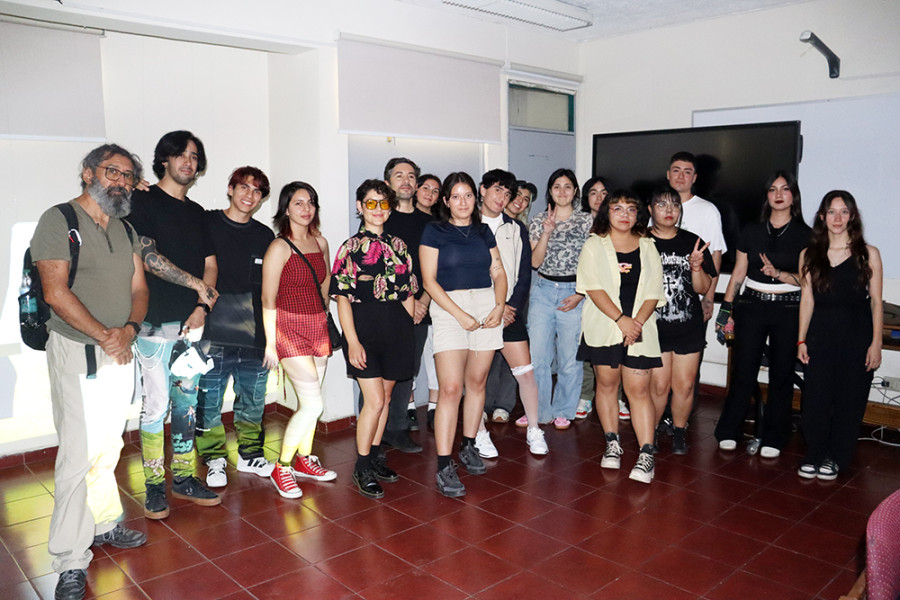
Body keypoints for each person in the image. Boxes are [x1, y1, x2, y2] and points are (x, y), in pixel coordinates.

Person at [32, 144, 149, 600]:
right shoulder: (58, 220)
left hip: (120, 348)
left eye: (126, 175)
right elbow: (55, 292)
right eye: (111, 171)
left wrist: (131, 329)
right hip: (79, 349)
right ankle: (69, 558)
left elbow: (139, 286)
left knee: (108, 444)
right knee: (76, 452)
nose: (119, 181)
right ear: (87, 173)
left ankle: (102, 522)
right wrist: (106, 334)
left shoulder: (125, 228)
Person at [129, 131, 221, 518]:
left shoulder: (198, 213)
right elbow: (147, 257)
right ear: (163, 159)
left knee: (186, 406)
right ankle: (153, 485)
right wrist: (195, 283)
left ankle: (183, 477)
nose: (189, 161)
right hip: (152, 322)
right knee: (156, 406)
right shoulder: (142, 200)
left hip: (193, 324)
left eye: (195, 156)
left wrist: (202, 302)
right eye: (181, 154)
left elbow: (211, 264)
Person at [420, 171, 507, 497]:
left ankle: (468, 445)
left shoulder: (484, 231)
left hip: (486, 304)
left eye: (468, 195)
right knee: (451, 388)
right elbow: (429, 281)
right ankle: (444, 463)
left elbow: (498, 271)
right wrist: (459, 314)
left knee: (478, 382)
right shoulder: (435, 231)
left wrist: (499, 305)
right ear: (446, 201)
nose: (462, 202)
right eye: (455, 196)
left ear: (476, 198)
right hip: (448, 308)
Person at [714, 172, 812, 456]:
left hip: (788, 309)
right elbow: (739, 273)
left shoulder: (806, 235)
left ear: (794, 195)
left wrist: (778, 274)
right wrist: (726, 310)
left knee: (782, 375)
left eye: (785, 189)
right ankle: (729, 430)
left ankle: (774, 437)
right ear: (767, 196)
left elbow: (807, 282)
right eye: (772, 189)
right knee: (743, 371)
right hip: (752, 306)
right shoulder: (751, 231)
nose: (778, 194)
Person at [331, 180, 418, 498]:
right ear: (359, 206)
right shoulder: (350, 248)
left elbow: (408, 291)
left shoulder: (399, 245)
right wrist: (352, 342)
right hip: (364, 331)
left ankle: (375, 455)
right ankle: (361, 466)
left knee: (385, 397)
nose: (378, 209)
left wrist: (408, 326)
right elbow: (341, 298)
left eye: (384, 203)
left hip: (397, 331)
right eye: (371, 203)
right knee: (375, 401)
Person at [576, 190, 665, 483]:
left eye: (630, 208)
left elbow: (654, 291)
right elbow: (593, 287)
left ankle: (646, 454)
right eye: (617, 208)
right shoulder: (594, 245)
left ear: (639, 214)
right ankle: (612, 444)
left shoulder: (648, 245)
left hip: (639, 329)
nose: (624, 214)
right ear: (607, 212)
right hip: (605, 327)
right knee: (607, 384)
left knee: (638, 390)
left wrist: (634, 324)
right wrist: (620, 320)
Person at [196, 167, 276, 489]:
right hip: (214, 333)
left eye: (257, 191)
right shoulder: (208, 223)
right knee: (210, 400)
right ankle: (214, 457)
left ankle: (250, 454)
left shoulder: (264, 236)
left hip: (255, 334)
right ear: (230, 189)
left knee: (253, 400)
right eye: (243, 187)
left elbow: (270, 289)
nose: (249, 196)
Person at [797, 191, 882, 480]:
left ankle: (836, 458)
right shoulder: (809, 255)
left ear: (852, 216)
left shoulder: (868, 254)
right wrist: (801, 339)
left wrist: (876, 343)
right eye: (831, 212)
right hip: (820, 337)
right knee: (816, 400)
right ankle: (815, 453)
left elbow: (876, 302)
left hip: (857, 338)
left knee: (849, 401)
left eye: (843, 211)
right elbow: (806, 300)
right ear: (822, 216)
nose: (837, 218)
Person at [261, 181, 337, 499]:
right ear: (286, 209)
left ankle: (304, 460)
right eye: (299, 203)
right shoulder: (279, 247)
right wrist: (270, 344)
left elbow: (325, 284)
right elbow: (267, 299)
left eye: (311, 203)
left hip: (317, 326)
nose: (306, 209)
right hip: (288, 329)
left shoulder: (320, 242)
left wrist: (325, 316)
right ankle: (283, 466)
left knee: (313, 400)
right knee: (312, 405)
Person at [479, 170, 547, 455]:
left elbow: (523, 274)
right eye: (497, 190)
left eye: (507, 193)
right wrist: (492, 307)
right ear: (482, 190)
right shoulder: (467, 226)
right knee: (477, 378)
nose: (502, 198)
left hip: (509, 312)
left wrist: (511, 307)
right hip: (479, 314)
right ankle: (479, 434)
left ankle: (534, 430)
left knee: (526, 373)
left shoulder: (516, 228)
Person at [648, 187, 716, 454]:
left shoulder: (692, 241)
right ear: (651, 209)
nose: (669, 210)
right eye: (662, 205)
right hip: (654, 327)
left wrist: (696, 266)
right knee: (659, 386)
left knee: (685, 385)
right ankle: (649, 434)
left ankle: (679, 431)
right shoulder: (641, 240)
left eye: (675, 205)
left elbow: (702, 287)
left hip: (688, 325)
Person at [527, 169, 592, 428]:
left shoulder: (588, 221)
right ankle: (541, 411)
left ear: (575, 191)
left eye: (568, 186)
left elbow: (594, 263)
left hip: (574, 292)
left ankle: (565, 409)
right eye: (557, 186)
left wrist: (580, 294)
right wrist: (546, 232)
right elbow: (535, 261)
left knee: (569, 358)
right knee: (538, 357)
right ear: (550, 191)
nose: (562, 191)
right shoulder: (538, 219)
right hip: (543, 290)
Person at [379, 157, 432, 452]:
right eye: (399, 175)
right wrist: (405, 304)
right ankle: (373, 430)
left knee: (405, 372)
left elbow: (434, 270)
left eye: (411, 175)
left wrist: (422, 301)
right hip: (386, 309)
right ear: (388, 183)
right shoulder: (380, 219)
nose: (406, 181)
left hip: (420, 309)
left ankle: (397, 429)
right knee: (377, 372)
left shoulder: (430, 223)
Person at [575, 175, 617, 421]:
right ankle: (586, 395)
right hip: (581, 292)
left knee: (613, 346)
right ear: (585, 197)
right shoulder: (577, 222)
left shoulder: (619, 223)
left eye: (604, 192)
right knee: (586, 345)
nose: (599, 197)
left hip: (611, 296)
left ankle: (619, 397)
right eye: (593, 192)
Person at [412, 173, 441, 430]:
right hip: (405, 301)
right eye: (426, 188)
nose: (430, 194)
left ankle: (434, 407)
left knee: (435, 355)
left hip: (434, 299)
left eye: (435, 190)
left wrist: (424, 299)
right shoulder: (399, 219)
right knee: (408, 358)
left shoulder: (440, 224)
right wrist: (412, 301)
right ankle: (409, 408)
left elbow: (439, 268)